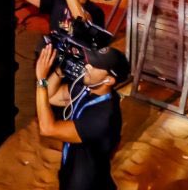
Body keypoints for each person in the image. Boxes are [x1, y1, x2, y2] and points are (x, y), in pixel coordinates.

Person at [34, 40, 129, 190]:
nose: (87, 66)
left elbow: (47, 128)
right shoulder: (87, 89)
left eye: (94, 66)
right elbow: (52, 96)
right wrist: (61, 70)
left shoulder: (103, 117)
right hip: (72, 175)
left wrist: (41, 81)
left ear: (109, 80)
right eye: (89, 62)